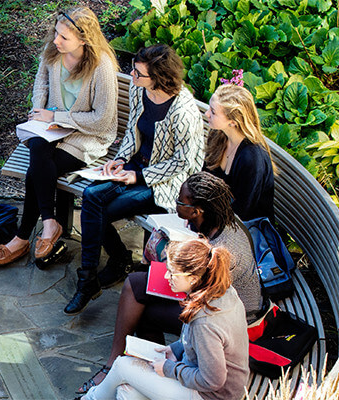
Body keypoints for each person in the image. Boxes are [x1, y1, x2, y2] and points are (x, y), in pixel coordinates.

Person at [75, 172, 264, 392]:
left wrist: (165, 255)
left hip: (227, 318)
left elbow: (202, 295)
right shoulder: (218, 220)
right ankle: (122, 365)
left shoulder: (224, 251)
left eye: (180, 203)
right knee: (135, 283)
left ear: (197, 211)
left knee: (143, 313)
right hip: (206, 296)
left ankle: (154, 372)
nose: (177, 209)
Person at [68, 44, 205, 314]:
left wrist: (139, 176)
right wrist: (121, 159)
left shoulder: (183, 111)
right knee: (90, 196)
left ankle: (109, 268)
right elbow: (133, 129)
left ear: (160, 78)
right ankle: (91, 278)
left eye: (139, 74)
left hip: (164, 183)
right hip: (135, 166)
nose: (132, 76)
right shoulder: (139, 90)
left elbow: (184, 163)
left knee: (101, 210)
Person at [0, 6, 119, 265]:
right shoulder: (53, 52)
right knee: (38, 149)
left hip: (86, 135)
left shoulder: (100, 66)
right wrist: (39, 111)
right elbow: (41, 83)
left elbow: (101, 120)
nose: (56, 40)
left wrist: (56, 118)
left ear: (84, 39)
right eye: (56, 33)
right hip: (51, 127)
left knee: (37, 170)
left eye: (64, 37)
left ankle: (22, 237)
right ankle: (49, 224)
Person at [81, 239, 249, 400]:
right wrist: (176, 348)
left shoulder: (204, 322)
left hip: (211, 395)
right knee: (128, 391)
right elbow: (202, 344)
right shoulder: (223, 291)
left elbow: (213, 380)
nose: (167, 277)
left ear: (193, 278)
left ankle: (89, 398)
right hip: (210, 382)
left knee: (122, 366)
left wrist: (170, 369)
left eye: (173, 273)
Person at [204, 84, 275, 221]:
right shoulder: (218, 136)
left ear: (233, 122)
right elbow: (205, 181)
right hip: (217, 219)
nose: (207, 114)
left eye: (213, 112)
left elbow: (242, 213)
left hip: (245, 231)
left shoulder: (252, 159)